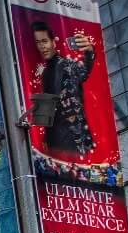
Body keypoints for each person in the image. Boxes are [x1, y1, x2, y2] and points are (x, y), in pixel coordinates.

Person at [28, 21, 99, 171]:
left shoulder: (67, 65)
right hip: (55, 141)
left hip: (74, 137)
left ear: (54, 42)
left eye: (45, 41)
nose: (42, 46)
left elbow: (85, 69)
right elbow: (46, 108)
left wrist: (90, 51)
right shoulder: (45, 72)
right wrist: (46, 138)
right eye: (38, 42)